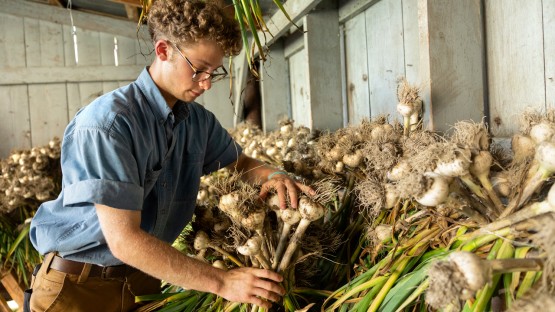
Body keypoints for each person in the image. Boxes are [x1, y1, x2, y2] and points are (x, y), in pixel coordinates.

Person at [28, 0, 314, 311]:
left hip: (144, 281)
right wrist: (222, 282)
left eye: (213, 72)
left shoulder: (197, 122)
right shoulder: (109, 125)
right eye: (198, 69)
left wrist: (273, 175)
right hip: (80, 288)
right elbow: (124, 240)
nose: (206, 83)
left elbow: (241, 164)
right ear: (164, 50)